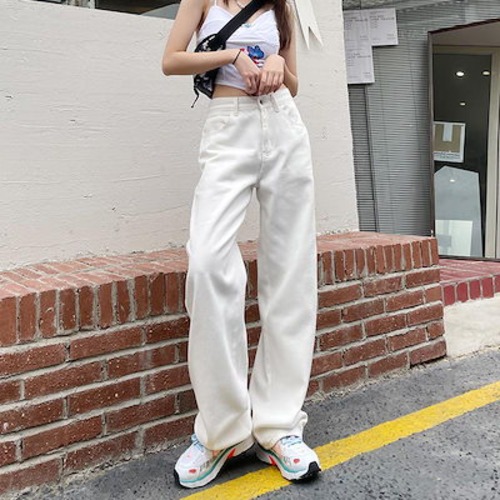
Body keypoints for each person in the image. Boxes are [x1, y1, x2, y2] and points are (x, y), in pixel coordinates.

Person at [162, 0, 320, 489]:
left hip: (284, 125)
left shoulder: (281, 5)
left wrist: (276, 65)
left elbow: (294, 82)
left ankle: (278, 426)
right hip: (228, 126)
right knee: (208, 263)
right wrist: (230, 56)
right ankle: (222, 432)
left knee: (290, 271)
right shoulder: (202, 1)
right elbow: (171, 60)